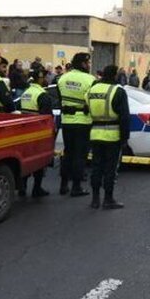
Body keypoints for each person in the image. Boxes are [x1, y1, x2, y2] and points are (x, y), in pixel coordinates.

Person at [86, 64, 131, 210]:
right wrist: (125, 138)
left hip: (95, 134)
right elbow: (124, 117)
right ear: (115, 75)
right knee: (110, 169)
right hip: (112, 136)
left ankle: (95, 199)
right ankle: (108, 199)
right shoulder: (118, 91)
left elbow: (86, 109)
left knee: (96, 167)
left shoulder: (92, 90)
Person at [58, 52, 95, 197]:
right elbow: (92, 101)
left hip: (66, 121)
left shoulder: (63, 78)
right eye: (88, 63)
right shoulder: (90, 80)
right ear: (83, 64)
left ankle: (63, 185)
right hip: (83, 121)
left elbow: (61, 99)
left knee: (68, 153)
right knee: (80, 155)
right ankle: (76, 186)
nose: (89, 65)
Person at [18, 67, 54, 198]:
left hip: (25, 132)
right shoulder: (42, 95)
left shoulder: (26, 93)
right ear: (40, 78)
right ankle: (36, 188)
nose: (46, 80)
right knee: (40, 161)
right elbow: (47, 118)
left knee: (26, 160)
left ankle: (23, 188)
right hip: (38, 133)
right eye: (44, 77)